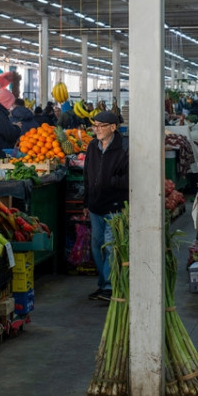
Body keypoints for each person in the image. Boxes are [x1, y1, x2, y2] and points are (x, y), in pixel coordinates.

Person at [83, 111, 129, 302]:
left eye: (101, 126)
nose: (97, 130)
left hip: (115, 205)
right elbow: (87, 173)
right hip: (95, 205)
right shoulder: (93, 146)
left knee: (111, 246)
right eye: (95, 126)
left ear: (113, 127)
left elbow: (130, 176)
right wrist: (86, 201)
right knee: (96, 245)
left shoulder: (124, 148)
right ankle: (103, 283)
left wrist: (111, 182)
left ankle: (109, 286)